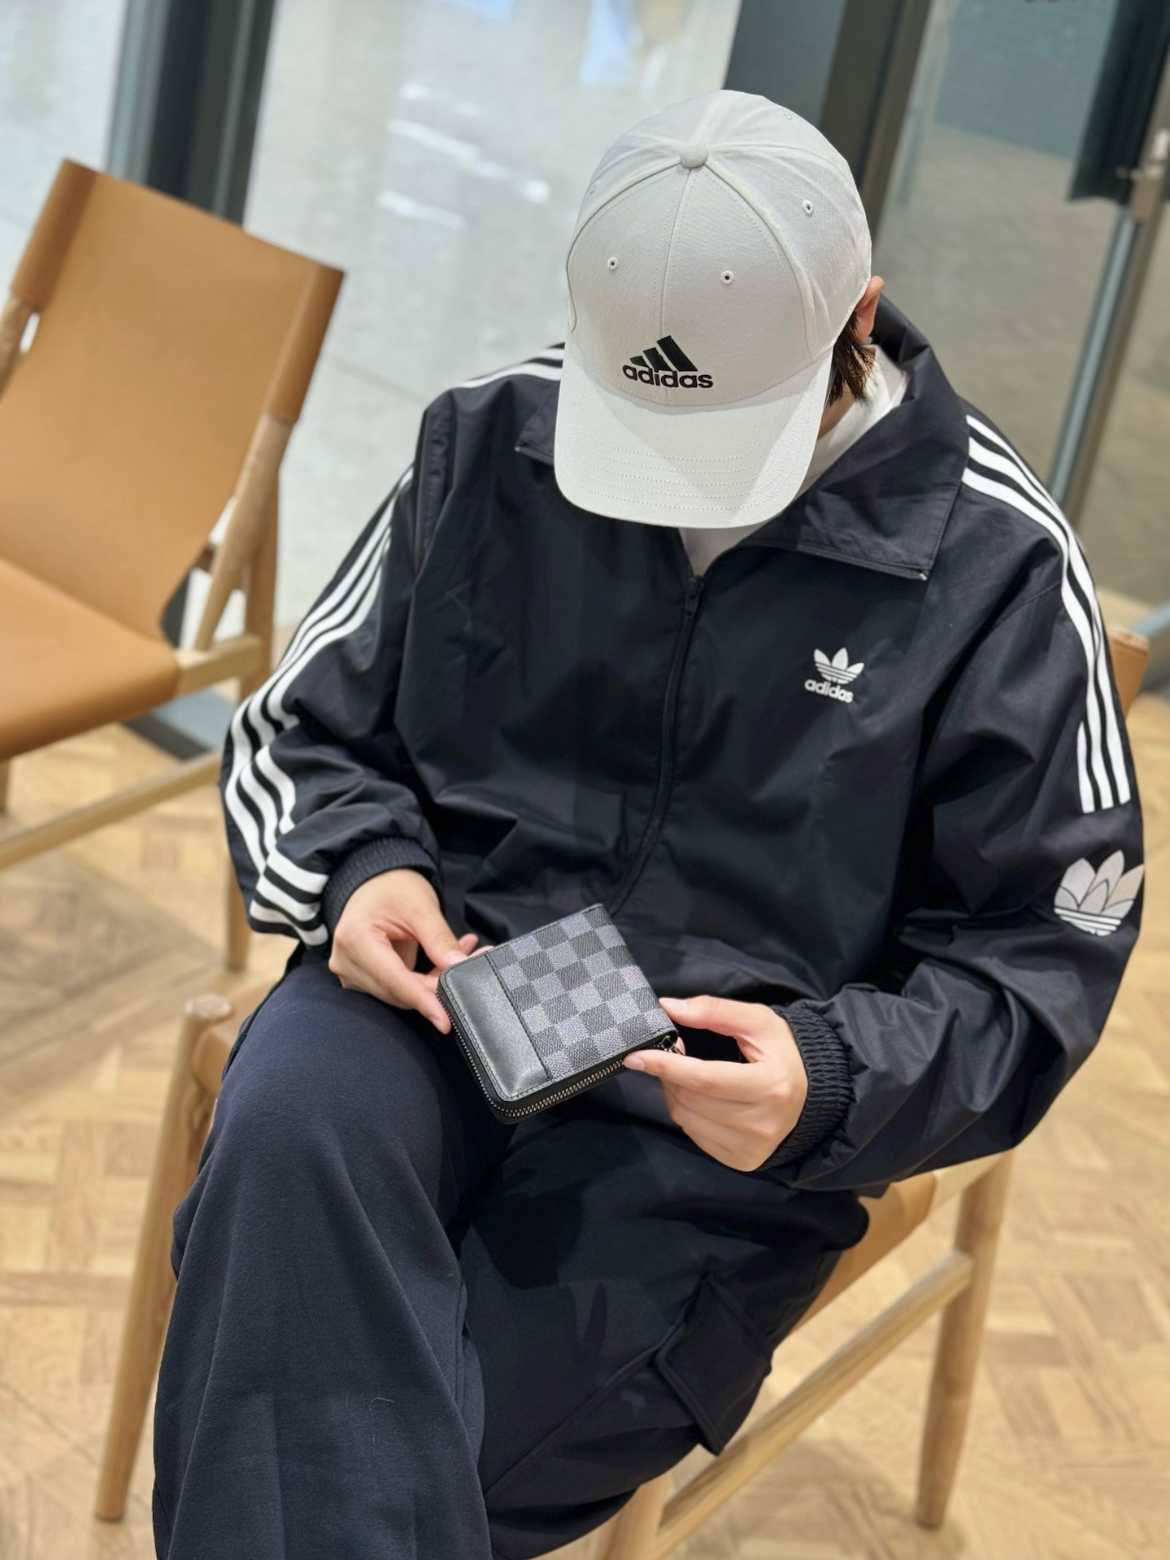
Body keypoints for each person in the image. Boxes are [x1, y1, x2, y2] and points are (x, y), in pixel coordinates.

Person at [153, 91, 1142, 1560]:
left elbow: (1037, 961)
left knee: (331, 1441)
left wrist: (827, 1078)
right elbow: (304, 729)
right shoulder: (489, 439)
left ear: (859, 318)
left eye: (725, 430)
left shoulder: (998, 565)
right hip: (441, 997)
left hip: (716, 1121)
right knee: (294, 1149)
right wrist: (360, 870)